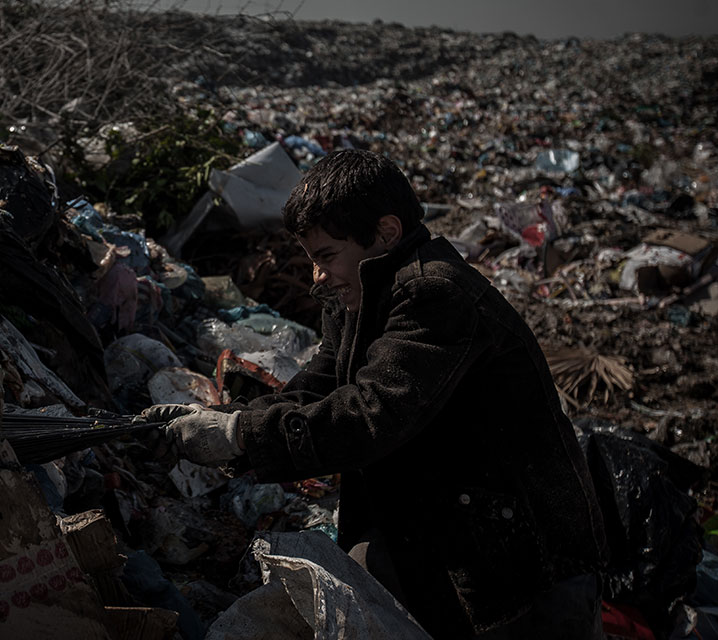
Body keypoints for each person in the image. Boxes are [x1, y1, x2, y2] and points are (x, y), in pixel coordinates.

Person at [144, 149, 608, 639]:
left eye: (326, 257)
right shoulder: (359, 294)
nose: (317, 276)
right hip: (449, 535)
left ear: (386, 234)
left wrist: (239, 435)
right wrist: (225, 421)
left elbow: (373, 413)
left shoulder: (437, 294)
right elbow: (319, 386)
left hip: (524, 562)